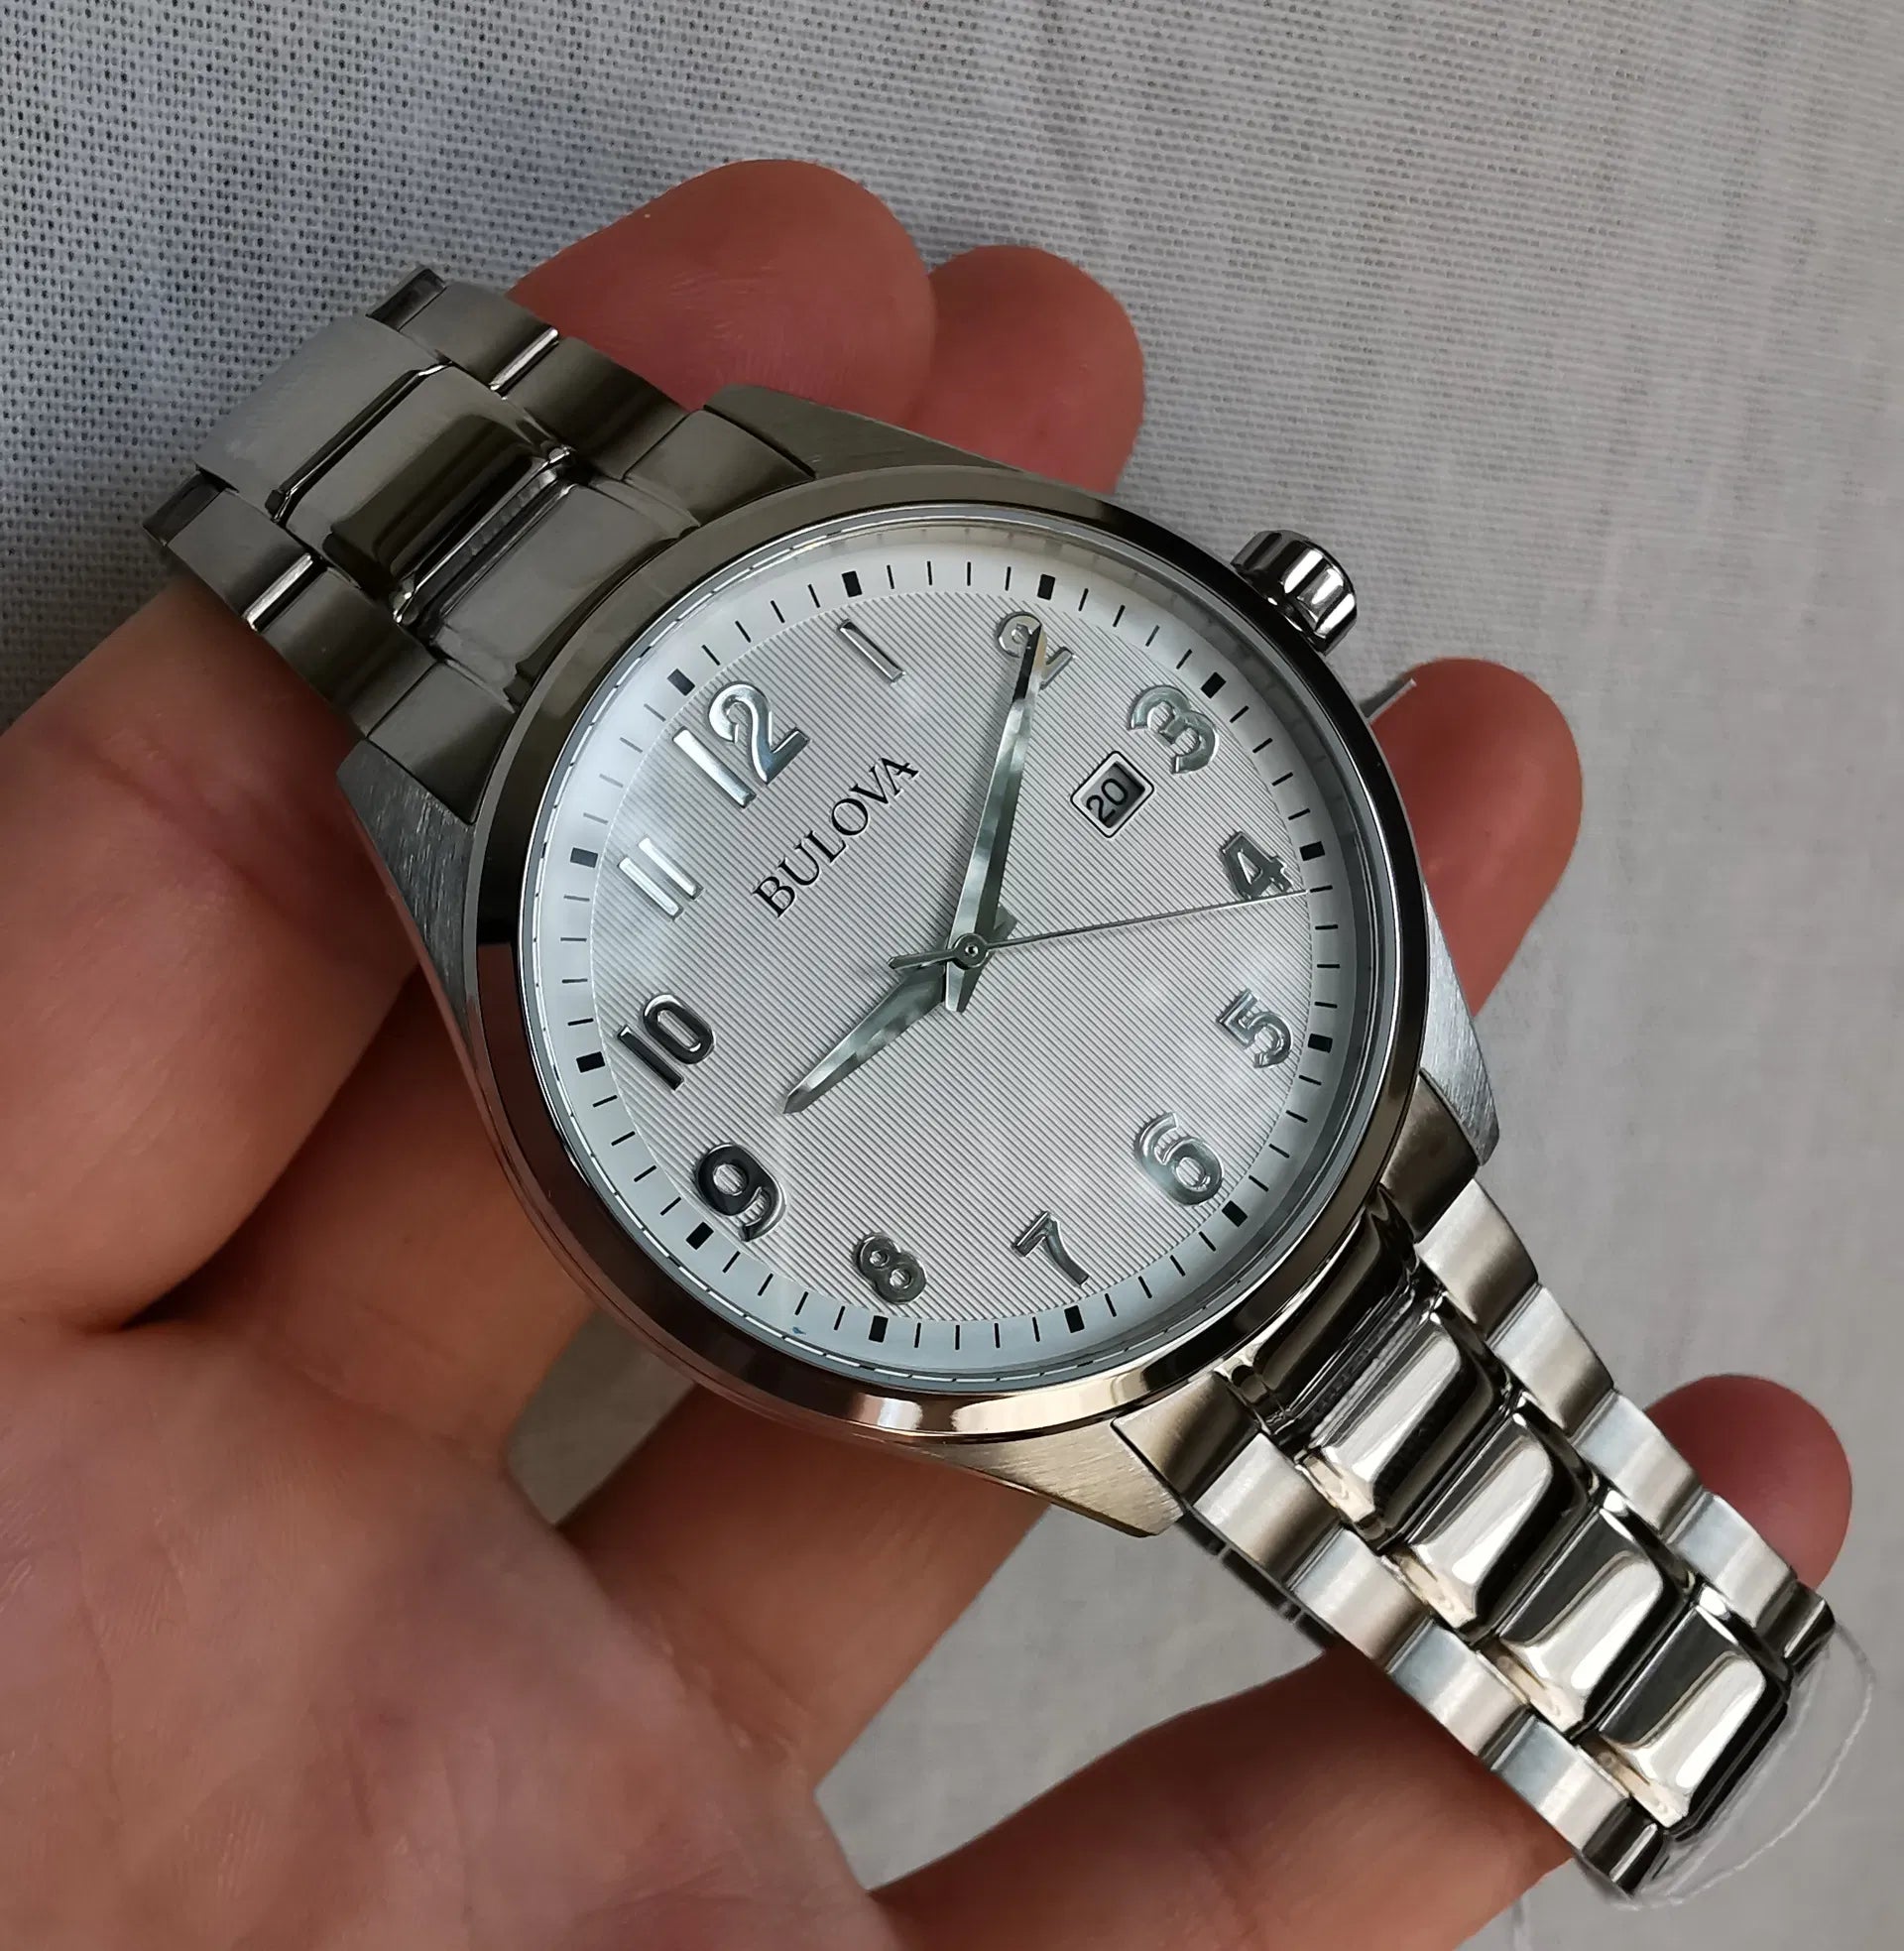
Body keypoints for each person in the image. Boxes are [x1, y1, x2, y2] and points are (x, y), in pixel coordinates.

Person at [0, 161, 1850, 1949]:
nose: (955, 975)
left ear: (1268, 631)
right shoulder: (567, 916)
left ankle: (1663, 1704)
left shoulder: (924, 594)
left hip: (1296, 1145)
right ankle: (1642, 1715)